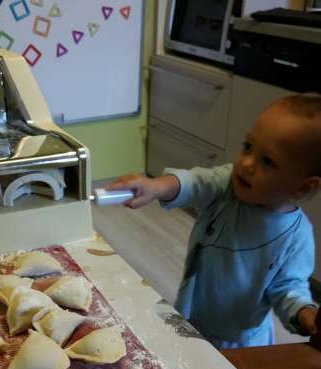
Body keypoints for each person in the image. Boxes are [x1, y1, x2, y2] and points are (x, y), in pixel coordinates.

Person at [108, 95, 320, 348]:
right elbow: (197, 182)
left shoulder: (297, 236)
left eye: (268, 161)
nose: (246, 163)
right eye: (248, 146)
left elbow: (288, 288)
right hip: (191, 315)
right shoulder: (228, 185)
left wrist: (305, 314)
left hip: (242, 340)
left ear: (302, 187)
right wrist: (155, 186)